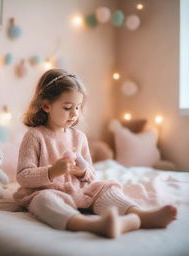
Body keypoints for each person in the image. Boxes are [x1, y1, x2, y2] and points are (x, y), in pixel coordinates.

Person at [13, 69, 177, 238]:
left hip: (78, 192)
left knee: (104, 188)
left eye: (78, 107)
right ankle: (90, 225)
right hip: (47, 191)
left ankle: (140, 215)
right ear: (46, 105)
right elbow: (23, 176)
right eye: (68, 107)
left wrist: (82, 171)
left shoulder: (79, 137)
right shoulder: (34, 136)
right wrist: (52, 171)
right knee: (43, 200)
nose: (74, 113)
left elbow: (91, 175)